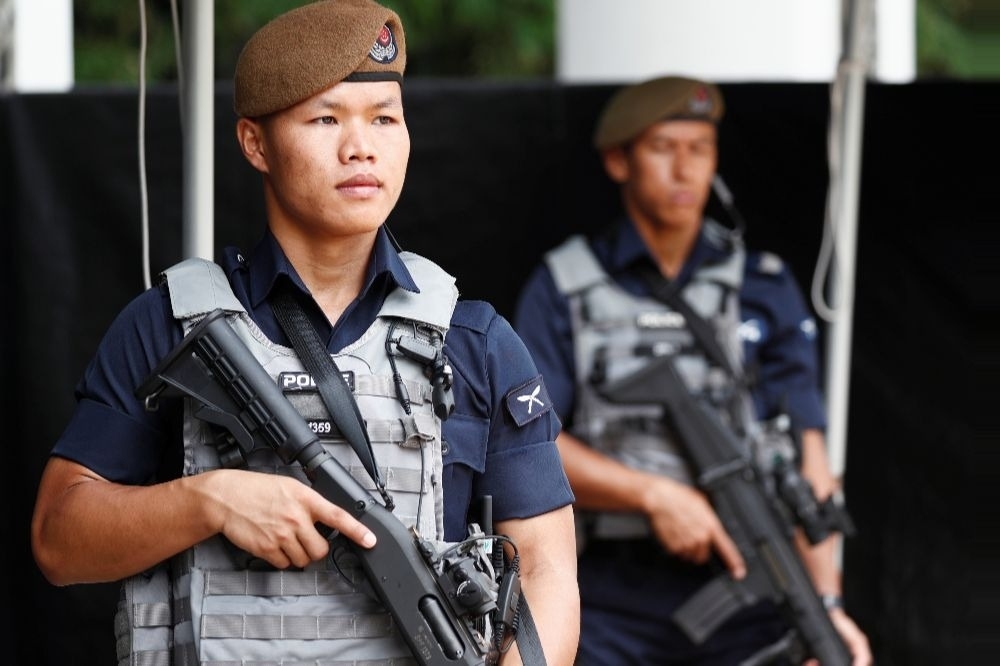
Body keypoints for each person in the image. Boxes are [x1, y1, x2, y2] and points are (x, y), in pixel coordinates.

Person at [30, 1, 579, 664]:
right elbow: (59, 543)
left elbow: (547, 570)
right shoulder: (169, 324)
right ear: (255, 143)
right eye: (325, 119)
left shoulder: (475, 340)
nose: (361, 147)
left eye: (384, 118)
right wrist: (208, 500)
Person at [513, 75, 872, 665]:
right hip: (607, 597)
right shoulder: (565, 286)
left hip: (750, 590)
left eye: (700, 149)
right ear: (618, 161)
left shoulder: (763, 287)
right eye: (663, 148)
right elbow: (528, 445)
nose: (685, 170)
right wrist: (654, 496)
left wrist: (826, 606)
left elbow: (809, 459)